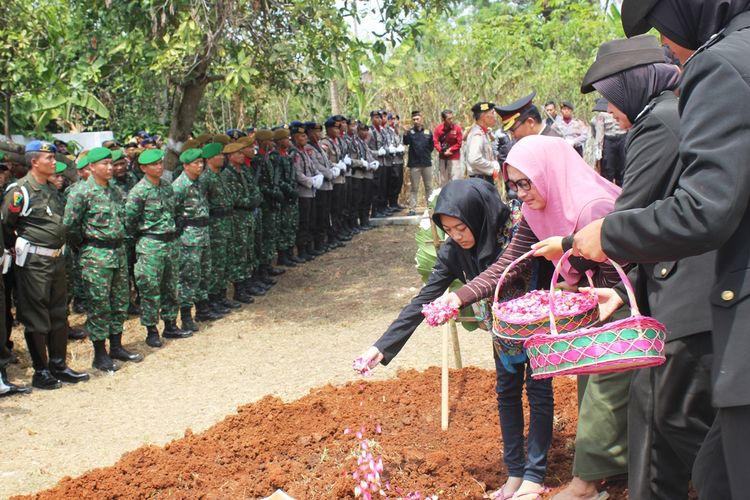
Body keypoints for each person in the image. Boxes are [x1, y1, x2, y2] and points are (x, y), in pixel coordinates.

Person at [573, 2, 750, 498]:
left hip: (701, 306)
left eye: (664, 27)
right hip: (695, 297)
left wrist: (600, 238)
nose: (669, 47)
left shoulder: (711, 72)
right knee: (711, 468)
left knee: (679, 430)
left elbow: (700, 209)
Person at [440, 135, 626, 500]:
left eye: (527, 183)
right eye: (514, 186)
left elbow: (622, 273)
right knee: (596, 394)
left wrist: (573, 264)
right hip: (595, 311)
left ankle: (587, 483)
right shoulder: (535, 213)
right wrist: (457, 299)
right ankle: (610, 473)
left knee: (607, 393)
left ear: (549, 172)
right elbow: (507, 264)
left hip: (618, 309)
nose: (522, 193)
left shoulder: (592, 207)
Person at [356, 179, 553, 500]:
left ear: (478, 215)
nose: (457, 236)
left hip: (537, 323)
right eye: (448, 230)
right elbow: (423, 300)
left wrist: (458, 298)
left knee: (539, 390)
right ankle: (516, 472)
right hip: (502, 331)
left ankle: (534, 475)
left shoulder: (518, 229)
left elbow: (508, 272)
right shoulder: (453, 251)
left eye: (461, 227)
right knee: (507, 391)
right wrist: (382, 347)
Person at [1, 140, 90, 389]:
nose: (54, 162)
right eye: (48, 158)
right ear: (34, 162)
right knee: (37, 316)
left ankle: (59, 366)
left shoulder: (51, 191)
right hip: (34, 261)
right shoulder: (20, 191)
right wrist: (16, 249)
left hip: (55, 259)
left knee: (58, 313)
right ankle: (41, 371)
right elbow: (7, 226)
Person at [64, 147, 143, 372]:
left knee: (120, 303)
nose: (110, 168)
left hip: (118, 253)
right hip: (95, 256)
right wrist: (84, 245)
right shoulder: (81, 193)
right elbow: (69, 226)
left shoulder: (116, 191)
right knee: (99, 305)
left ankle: (117, 346)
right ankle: (100, 355)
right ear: (91, 167)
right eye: (104, 164)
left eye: (111, 163)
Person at [125, 148, 191, 348]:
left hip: (170, 243)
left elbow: (174, 210)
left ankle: (170, 324)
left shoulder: (166, 187)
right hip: (150, 245)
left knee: (171, 286)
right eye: (154, 164)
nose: (159, 167)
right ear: (143, 168)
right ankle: (151, 330)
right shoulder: (138, 192)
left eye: (160, 163)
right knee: (150, 288)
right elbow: (129, 221)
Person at [173, 148, 220, 331]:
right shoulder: (179, 186)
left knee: (204, 273)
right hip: (188, 238)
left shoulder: (201, 182)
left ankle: (202, 309)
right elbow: (173, 213)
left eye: (202, 162)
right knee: (188, 277)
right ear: (185, 166)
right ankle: (185, 316)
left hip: (203, 233)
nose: (200, 166)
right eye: (196, 163)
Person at [199, 142, 238, 314]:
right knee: (215, 264)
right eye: (218, 155)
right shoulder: (205, 178)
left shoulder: (220, 175)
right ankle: (213, 298)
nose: (222, 157)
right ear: (208, 159)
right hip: (215, 225)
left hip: (227, 222)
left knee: (225, 261)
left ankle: (222, 296)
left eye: (222, 154)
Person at [289, 121, 323, 261]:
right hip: (303, 192)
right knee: (304, 222)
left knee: (311, 221)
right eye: (301, 136)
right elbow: (297, 174)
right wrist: (311, 181)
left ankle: (309, 247)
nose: (305, 138)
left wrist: (318, 175)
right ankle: (302, 249)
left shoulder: (304, 152)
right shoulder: (295, 153)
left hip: (311, 192)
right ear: (295, 138)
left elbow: (312, 167)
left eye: (304, 136)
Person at [495, 92, 563, 142]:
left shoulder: (551, 142)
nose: (512, 136)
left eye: (513, 130)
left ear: (530, 122)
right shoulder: (538, 140)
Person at [402, 110, 434, 216]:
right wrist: (405, 132)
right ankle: (412, 209)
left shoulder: (428, 132)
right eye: (414, 119)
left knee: (429, 187)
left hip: (426, 164)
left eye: (417, 119)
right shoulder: (410, 133)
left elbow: (431, 147)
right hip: (414, 165)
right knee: (414, 188)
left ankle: (431, 207)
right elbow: (405, 142)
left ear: (422, 119)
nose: (416, 121)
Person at [349, 122, 377, 231]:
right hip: (357, 175)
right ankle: (354, 223)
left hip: (366, 174)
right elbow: (352, 159)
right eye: (362, 130)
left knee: (366, 198)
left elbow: (368, 155)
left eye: (366, 130)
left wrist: (373, 162)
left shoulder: (363, 142)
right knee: (356, 200)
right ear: (358, 131)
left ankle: (365, 220)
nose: (365, 132)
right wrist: (362, 163)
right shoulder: (354, 142)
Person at [464, 101, 500, 183]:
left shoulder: (484, 133)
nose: (495, 116)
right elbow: (474, 159)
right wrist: (492, 166)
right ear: (484, 116)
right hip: (480, 180)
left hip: (483, 179)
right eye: (492, 113)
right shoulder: (477, 134)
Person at [433, 109, 463, 187]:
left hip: (454, 158)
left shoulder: (457, 128)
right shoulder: (438, 129)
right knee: (443, 182)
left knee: (456, 181)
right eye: (449, 119)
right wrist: (442, 151)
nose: (451, 120)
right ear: (443, 119)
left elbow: (459, 143)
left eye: (452, 118)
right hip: (443, 158)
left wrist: (451, 149)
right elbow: (435, 142)